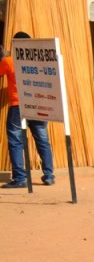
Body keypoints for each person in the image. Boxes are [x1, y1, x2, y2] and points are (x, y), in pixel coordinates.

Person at [0, 32, 56, 188]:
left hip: (18, 106)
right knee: (43, 140)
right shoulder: (39, 61)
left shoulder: (9, 61)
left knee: (16, 141)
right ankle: (49, 175)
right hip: (39, 104)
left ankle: (20, 178)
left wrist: (2, 57)